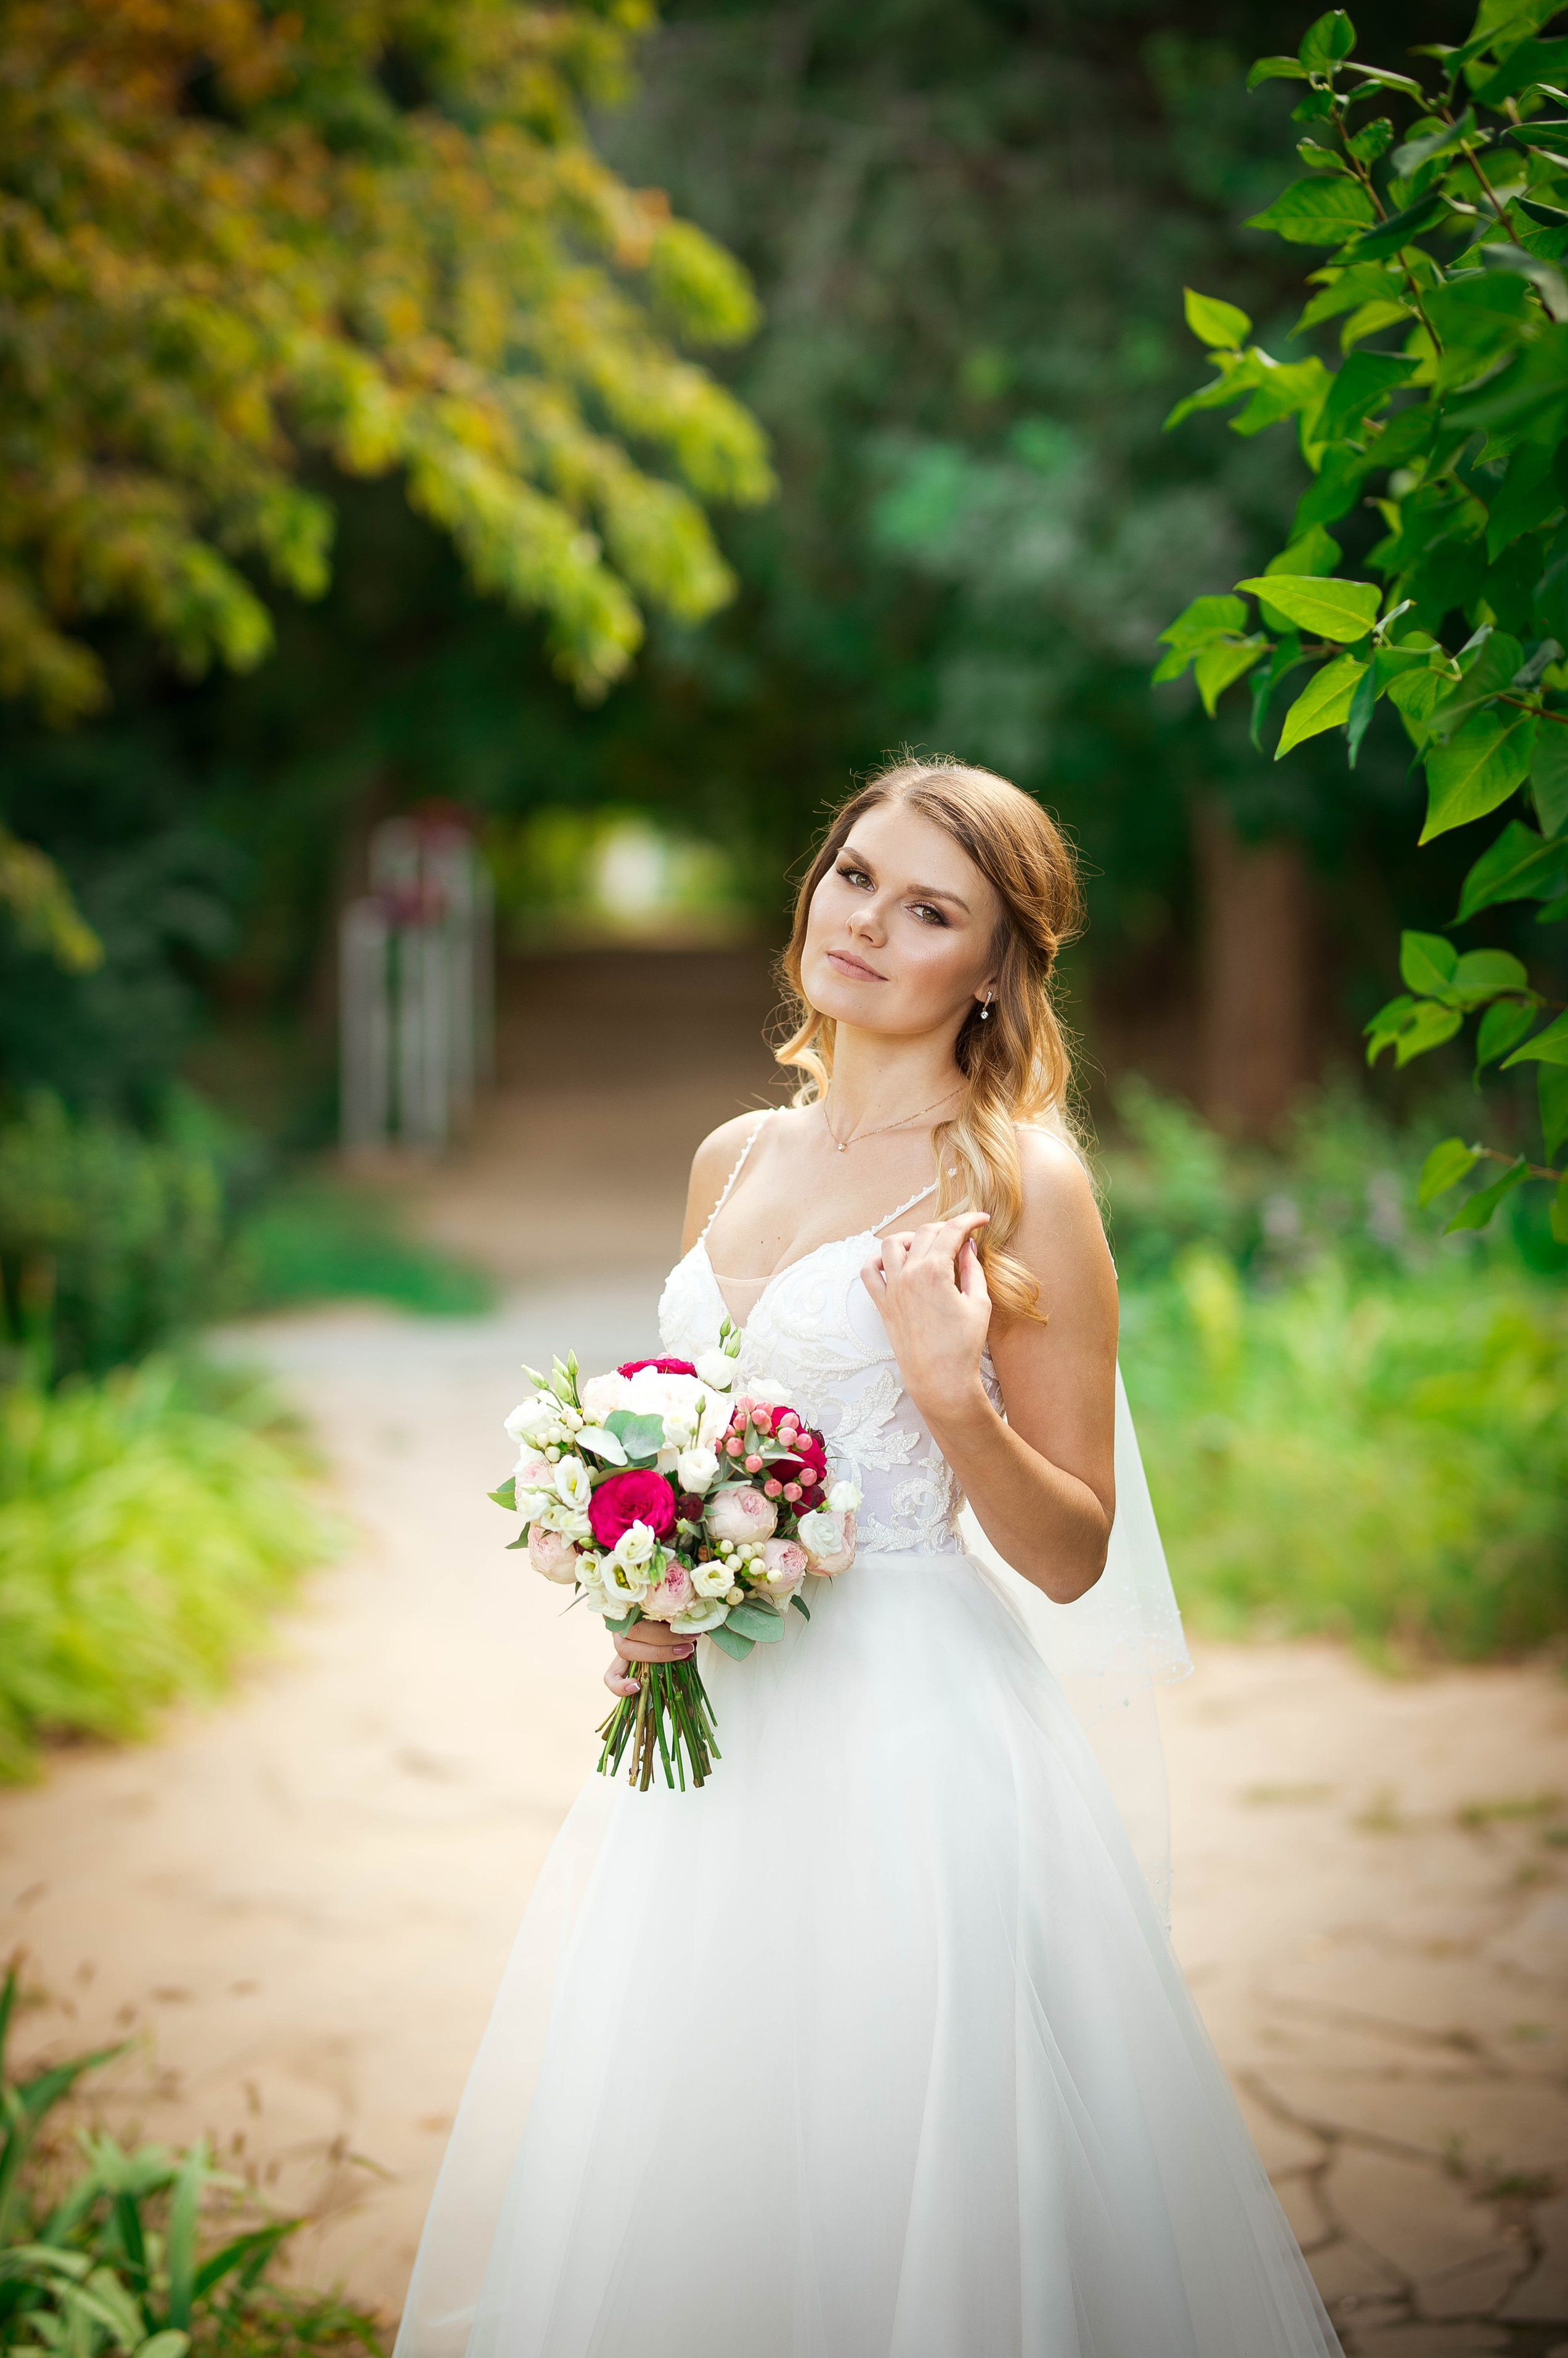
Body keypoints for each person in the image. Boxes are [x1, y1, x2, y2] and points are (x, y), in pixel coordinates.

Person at [394, 757, 1343, 2358]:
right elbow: (699, 1448)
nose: (869, 923)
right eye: (855, 876)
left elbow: (1071, 1550)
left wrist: (949, 1385)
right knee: (705, 2135)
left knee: (907, 2151)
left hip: (913, 1736)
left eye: (930, 910)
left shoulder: (1020, 1184)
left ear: (995, 968)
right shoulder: (732, 1158)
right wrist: (649, 1581)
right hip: (717, 1741)